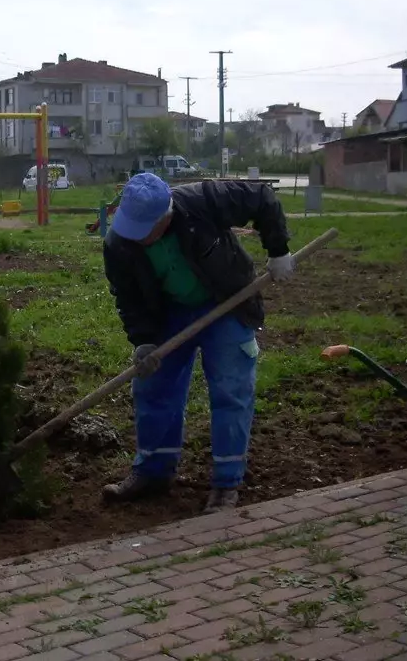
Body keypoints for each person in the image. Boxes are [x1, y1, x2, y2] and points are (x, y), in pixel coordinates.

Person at [101, 172, 295, 514]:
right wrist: (144, 341)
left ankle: (226, 483)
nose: (135, 237)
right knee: (153, 387)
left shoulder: (204, 200)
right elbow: (128, 297)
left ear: (166, 216)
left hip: (226, 303)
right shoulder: (119, 242)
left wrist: (278, 250)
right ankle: (153, 471)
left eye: (144, 230)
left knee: (230, 391)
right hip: (169, 314)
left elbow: (262, 198)